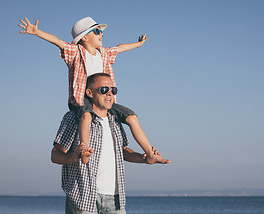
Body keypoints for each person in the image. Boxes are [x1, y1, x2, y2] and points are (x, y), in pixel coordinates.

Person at [19, 16, 161, 164]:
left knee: (132, 117)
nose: (101, 34)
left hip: (104, 101)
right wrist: (37, 32)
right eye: (97, 31)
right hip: (82, 100)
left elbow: (120, 48)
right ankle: (84, 148)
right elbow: (58, 42)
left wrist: (138, 44)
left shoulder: (104, 53)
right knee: (86, 116)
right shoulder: (76, 52)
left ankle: (149, 153)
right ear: (84, 37)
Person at [51, 73, 170, 214]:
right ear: (89, 93)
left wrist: (145, 159)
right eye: (104, 89)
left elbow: (122, 151)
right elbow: (55, 155)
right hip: (83, 198)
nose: (110, 94)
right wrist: (74, 157)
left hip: (115, 200)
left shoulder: (115, 120)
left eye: (113, 90)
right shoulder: (74, 118)